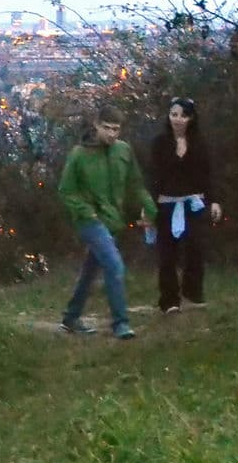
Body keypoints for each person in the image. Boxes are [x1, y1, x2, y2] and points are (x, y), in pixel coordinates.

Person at [56, 108, 157, 339]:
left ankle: (71, 317)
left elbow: (136, 183)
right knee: (114, 265)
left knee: (91, 269)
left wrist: (151, 210)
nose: (112, 134)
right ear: (97, 125)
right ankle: (121, 323)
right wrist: (87, 212)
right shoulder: (79, 154)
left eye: (116, 129)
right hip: (89, 221)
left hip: (113, 220)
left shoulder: (123, 150)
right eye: (107, 128)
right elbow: (66, 191)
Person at [147, 97, 222, 313]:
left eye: (183, 116)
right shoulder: (160, 143)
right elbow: (153, 176)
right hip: (166, 204)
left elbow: (208, 174)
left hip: (193, 204)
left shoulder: (200, 143)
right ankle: (169, 300)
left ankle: (193, 293)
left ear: (191, 118)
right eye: (174, 115)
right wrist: (148, 205)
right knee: (167, 255)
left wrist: (214, 200)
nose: (178, 120)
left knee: (195, 249)